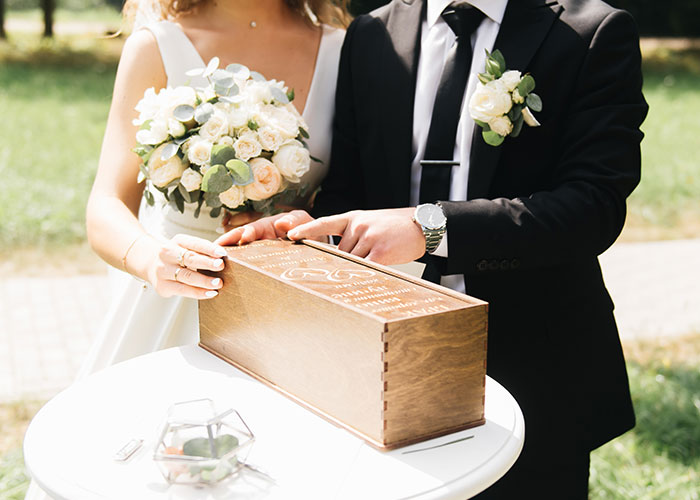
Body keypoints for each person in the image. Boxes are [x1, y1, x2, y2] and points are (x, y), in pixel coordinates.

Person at [218, 0, 648, 496]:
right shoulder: (372, 34)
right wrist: (312, 227)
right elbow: (352, 193)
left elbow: (592, 208)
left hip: (533, 356)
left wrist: (431, 229)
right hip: (380, 352)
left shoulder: (591, 31)